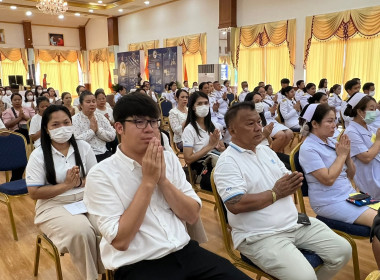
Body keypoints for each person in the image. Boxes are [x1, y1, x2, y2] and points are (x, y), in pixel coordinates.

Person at [83, 93, 251, 280]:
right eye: (139, 122)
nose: (150, 129)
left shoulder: (169, 159)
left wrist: (162, 180)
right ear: (119, 127)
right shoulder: (101, 175)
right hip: (138, 264)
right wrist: (148, 182)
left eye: (154, 122)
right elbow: (121, 241)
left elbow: (192, 215)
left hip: (185, 252)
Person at [214, 101, 352, 280]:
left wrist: (291, 183)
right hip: (260, 235)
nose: (258, 128)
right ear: (232, 131)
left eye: (259, 122)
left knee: (342, 251)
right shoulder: (227, 162)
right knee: (305, 277)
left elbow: (287, 180)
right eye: (250, 124)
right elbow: (235, 204)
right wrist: (275, 193)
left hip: (294, 223)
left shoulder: (265, 151)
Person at [26, 105, 104, 280]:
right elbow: (34, 192)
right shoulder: (38, 155)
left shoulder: (83, 147)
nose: (62, 128)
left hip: (85, 199)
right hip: (53, 205)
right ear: (46, 129)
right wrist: (67, 185)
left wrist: (78, 182)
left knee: (107, 225)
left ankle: (111, 272)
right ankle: (91, 277)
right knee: (82, 232)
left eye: (66, 122)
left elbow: (96, 177)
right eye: (55, 125)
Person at [299, 103, 380, 266]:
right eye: (329, 121)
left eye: (335, 120)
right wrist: (342, 156)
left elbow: (350, 175)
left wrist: (348, 156)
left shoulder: (330, 141)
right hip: (329, 201)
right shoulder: (308, 148)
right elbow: (327, 179)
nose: (334, 125)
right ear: (314, 124)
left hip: (349, 194)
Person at [183, 91, 225, 191]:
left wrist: (220, 148)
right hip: (202, 169)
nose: (204, 106)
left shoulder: (213, 125)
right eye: (199, 104)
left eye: (206, 103)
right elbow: (188, 159)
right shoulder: (189, 130)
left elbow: (223, 148)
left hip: (218, 163)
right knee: (228, 183)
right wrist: (210, 146)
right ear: (193, 107)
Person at [344, 93, 380, 199]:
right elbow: (366, 157)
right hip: (371, 177)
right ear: (359, 111)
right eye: (371, 109)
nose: (375, 113)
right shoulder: (351, 132)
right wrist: (378, 141)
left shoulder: (370, 128)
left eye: (375, 109)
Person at [72, 91, 116, 162]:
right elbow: (76, 141)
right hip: (86, 156)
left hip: (104, 152)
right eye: (88, 102)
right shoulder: (74, 119)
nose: (92, 104)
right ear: (81, 105)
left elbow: (112, 136)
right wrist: (92, 131)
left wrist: (98, 130)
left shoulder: (100, 117)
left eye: (93, 101)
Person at [258, 86, 293, 153]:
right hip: (264, 122)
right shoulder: (256, 104)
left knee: (289, 133)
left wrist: (273, 113)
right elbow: (259, 116)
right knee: (281, 135)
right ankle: (272, 153)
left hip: (272, 121)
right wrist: (270, 112)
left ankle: (279, 152)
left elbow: (275, 114)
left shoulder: (268, 101)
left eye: (264, 92)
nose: (263, 94)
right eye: (260, 92)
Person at [95, 88, 118, 154]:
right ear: (96, 100)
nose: (102, 100)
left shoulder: (109, 110)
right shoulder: (95, 111)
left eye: (103, 98)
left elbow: (115, 124)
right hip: (100, 134)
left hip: (111, 132)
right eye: (99, 99)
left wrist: (108, 121)